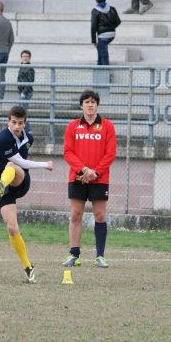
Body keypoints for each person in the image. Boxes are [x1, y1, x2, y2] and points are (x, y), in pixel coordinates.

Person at [0, 105, 54, 283]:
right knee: (11, 227)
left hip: (20, 181)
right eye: (14, 122)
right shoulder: (1, 139)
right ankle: (28, 267)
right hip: (4, 186)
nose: (17, 126)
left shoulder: (28, 138)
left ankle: (1, 183)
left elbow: (19, 161)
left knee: (11, 166)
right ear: (8, 121)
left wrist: (42, 166)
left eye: (20, 123)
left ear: (25, 123)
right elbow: (7, 156)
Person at [62, 90, 117, 269]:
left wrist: (95, 173)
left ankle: (100, 256)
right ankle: (74, 254)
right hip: (78, 177)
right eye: (87, 102)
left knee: (100, 215)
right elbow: (68, 152)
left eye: (93, 102)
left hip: (99, 178)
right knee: (75, 214)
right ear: (81, 105)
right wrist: (84, 169)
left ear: (97, 105)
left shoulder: (107, 126)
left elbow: (110, 153)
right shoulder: (72, 126)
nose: (90, 104)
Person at [91, 0, 121, 66]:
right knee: (101, 51)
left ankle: (105, 73)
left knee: (104, 55)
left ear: (96, 0)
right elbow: (118, 22)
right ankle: (99, 69)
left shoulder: (95, 11)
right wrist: (111, 28)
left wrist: (94, 40)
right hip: (112, 34)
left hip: (103, 36)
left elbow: (93, 27)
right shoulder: (112, 8)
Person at [17, 49, 35, 115]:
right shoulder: (21, 66)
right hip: (21, 92)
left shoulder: (30, 68)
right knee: (21, 111)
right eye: (23, 56)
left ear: (29, 58)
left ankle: (26, 125)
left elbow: (30, 81)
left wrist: (24, 92)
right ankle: (24, 125)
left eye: (27, 56)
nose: (25, 58)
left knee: (22, 111)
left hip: (26, 92)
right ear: (21, 58)